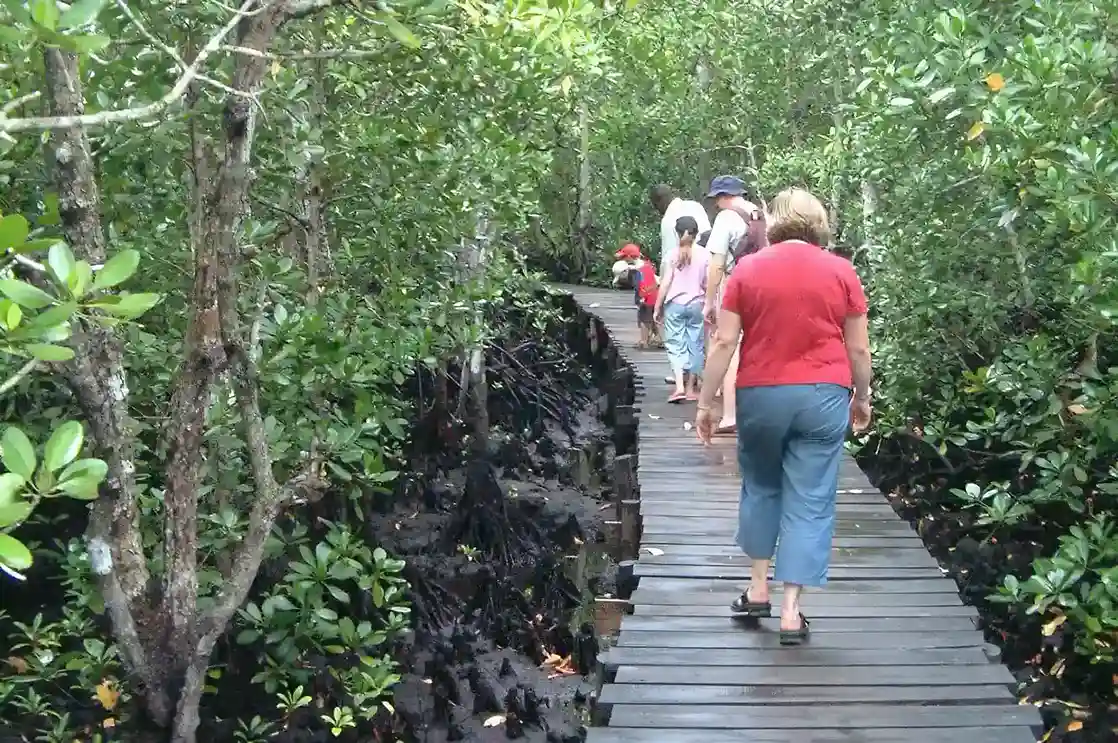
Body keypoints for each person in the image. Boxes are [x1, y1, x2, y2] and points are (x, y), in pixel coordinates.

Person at [694, 187, 873, 646]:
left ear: (774, 221)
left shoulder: (747, 269)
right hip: (824, 395)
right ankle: (791, 612)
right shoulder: (842, 271)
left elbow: (724, 342)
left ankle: (758, 589)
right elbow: (858, 348)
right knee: (810, 498)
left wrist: (705, 403)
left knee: (761, 487)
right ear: (818, 223)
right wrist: (862, 397)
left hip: (761, 394)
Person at [702, 175, 767, 436]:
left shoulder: (726, 218)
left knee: (731, 347)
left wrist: (709, 302)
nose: (716, 205)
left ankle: (730, 415)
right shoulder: (762, 215)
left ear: (724, 197)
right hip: (766, 288)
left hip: (736, 285)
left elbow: (717, 264)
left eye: (717, 200)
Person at [653, 216, 708, 402]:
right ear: (697, 234)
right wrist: (711, 305)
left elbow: (665, 282)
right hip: (697, 304)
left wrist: (657, 306)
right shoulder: (705, 255)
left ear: (677, 234)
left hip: (675, 304)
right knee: (695, 344)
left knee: (675, 344)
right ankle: (691, 389)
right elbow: (707, 283)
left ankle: (679, 387)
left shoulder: (672, 254)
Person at [611, 243, 661, 349]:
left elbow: (641, 284)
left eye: (624, 257)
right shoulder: (646, 264)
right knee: (653, 318)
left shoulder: (637, 270)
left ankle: (644, 341)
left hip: (646, 296)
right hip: (656, 294)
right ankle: (658, 338)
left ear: (629, 257)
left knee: (643, 320)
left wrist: (641, 299)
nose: (622, 260)